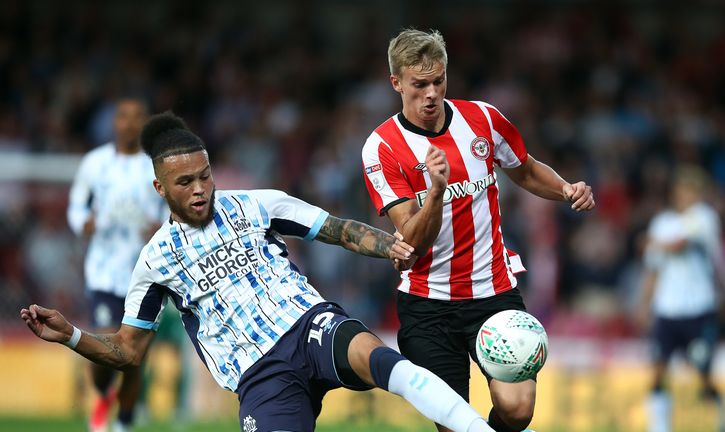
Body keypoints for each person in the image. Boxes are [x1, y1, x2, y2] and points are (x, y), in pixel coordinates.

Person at [23, 111, 500, 432]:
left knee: (384, 363)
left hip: (309, 324)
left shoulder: (258, 205)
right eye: (184, 182)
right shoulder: (155, 261)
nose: (200, 189)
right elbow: (128, 351)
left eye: (205, 175)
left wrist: (390, 246)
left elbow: (335, 229)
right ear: (160, 188)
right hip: (259, 374)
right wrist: (71, 335)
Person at [361, 29, 595, 432]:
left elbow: (524, 168)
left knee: (518, 410)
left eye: (438, 80)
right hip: (428, 304)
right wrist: (436, 191)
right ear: (396, 83)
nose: (431, 93)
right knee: (454, 423)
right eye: (419, 85)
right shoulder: (382, 147)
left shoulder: (483, 119)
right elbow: (412, 241)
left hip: (494, 292)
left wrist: (565, 189)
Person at [66, 97, 164, 432]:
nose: (130, 123)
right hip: (104, 273)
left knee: (136, 357)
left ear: (146, 122)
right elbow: (76, 208)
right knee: (103, 348)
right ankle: (103, 393)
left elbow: (173, 210)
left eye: (138, 117)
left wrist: (162, 225)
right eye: (124, 116)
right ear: (114, 123)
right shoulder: (95, 163)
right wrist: (84, 224)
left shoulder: (157, 164)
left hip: (146, 274)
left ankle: (122, 424)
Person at [637, 166, 725, 432]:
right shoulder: (662, 222)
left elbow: (678, 244)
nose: (685, 196)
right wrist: (644, 304)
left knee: (703, 374)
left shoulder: (704, 218)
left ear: (699, 194)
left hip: (698, 309)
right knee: (657, 370)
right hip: (667, 310)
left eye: (691, 191)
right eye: (682, 191)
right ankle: (659, 428)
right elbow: (654, 269)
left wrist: (649, 242)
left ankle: (723, 419)